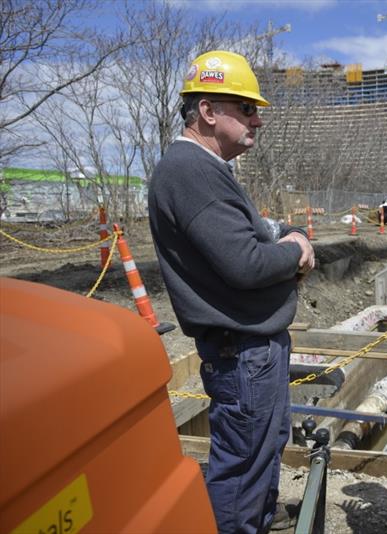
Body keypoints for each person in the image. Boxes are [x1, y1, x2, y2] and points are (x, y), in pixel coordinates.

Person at [148, 50, 314, 533]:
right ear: (207, 110)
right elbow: (245, 262)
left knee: (262, 451)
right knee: (241, 468)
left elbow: (257, 231)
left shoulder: (211, 171)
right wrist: (297, 250)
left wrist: (285, 238)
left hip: (253, 351)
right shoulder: (189, 171)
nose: (256, 120)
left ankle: (261, 520)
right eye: (245, 108)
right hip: (241, 353)